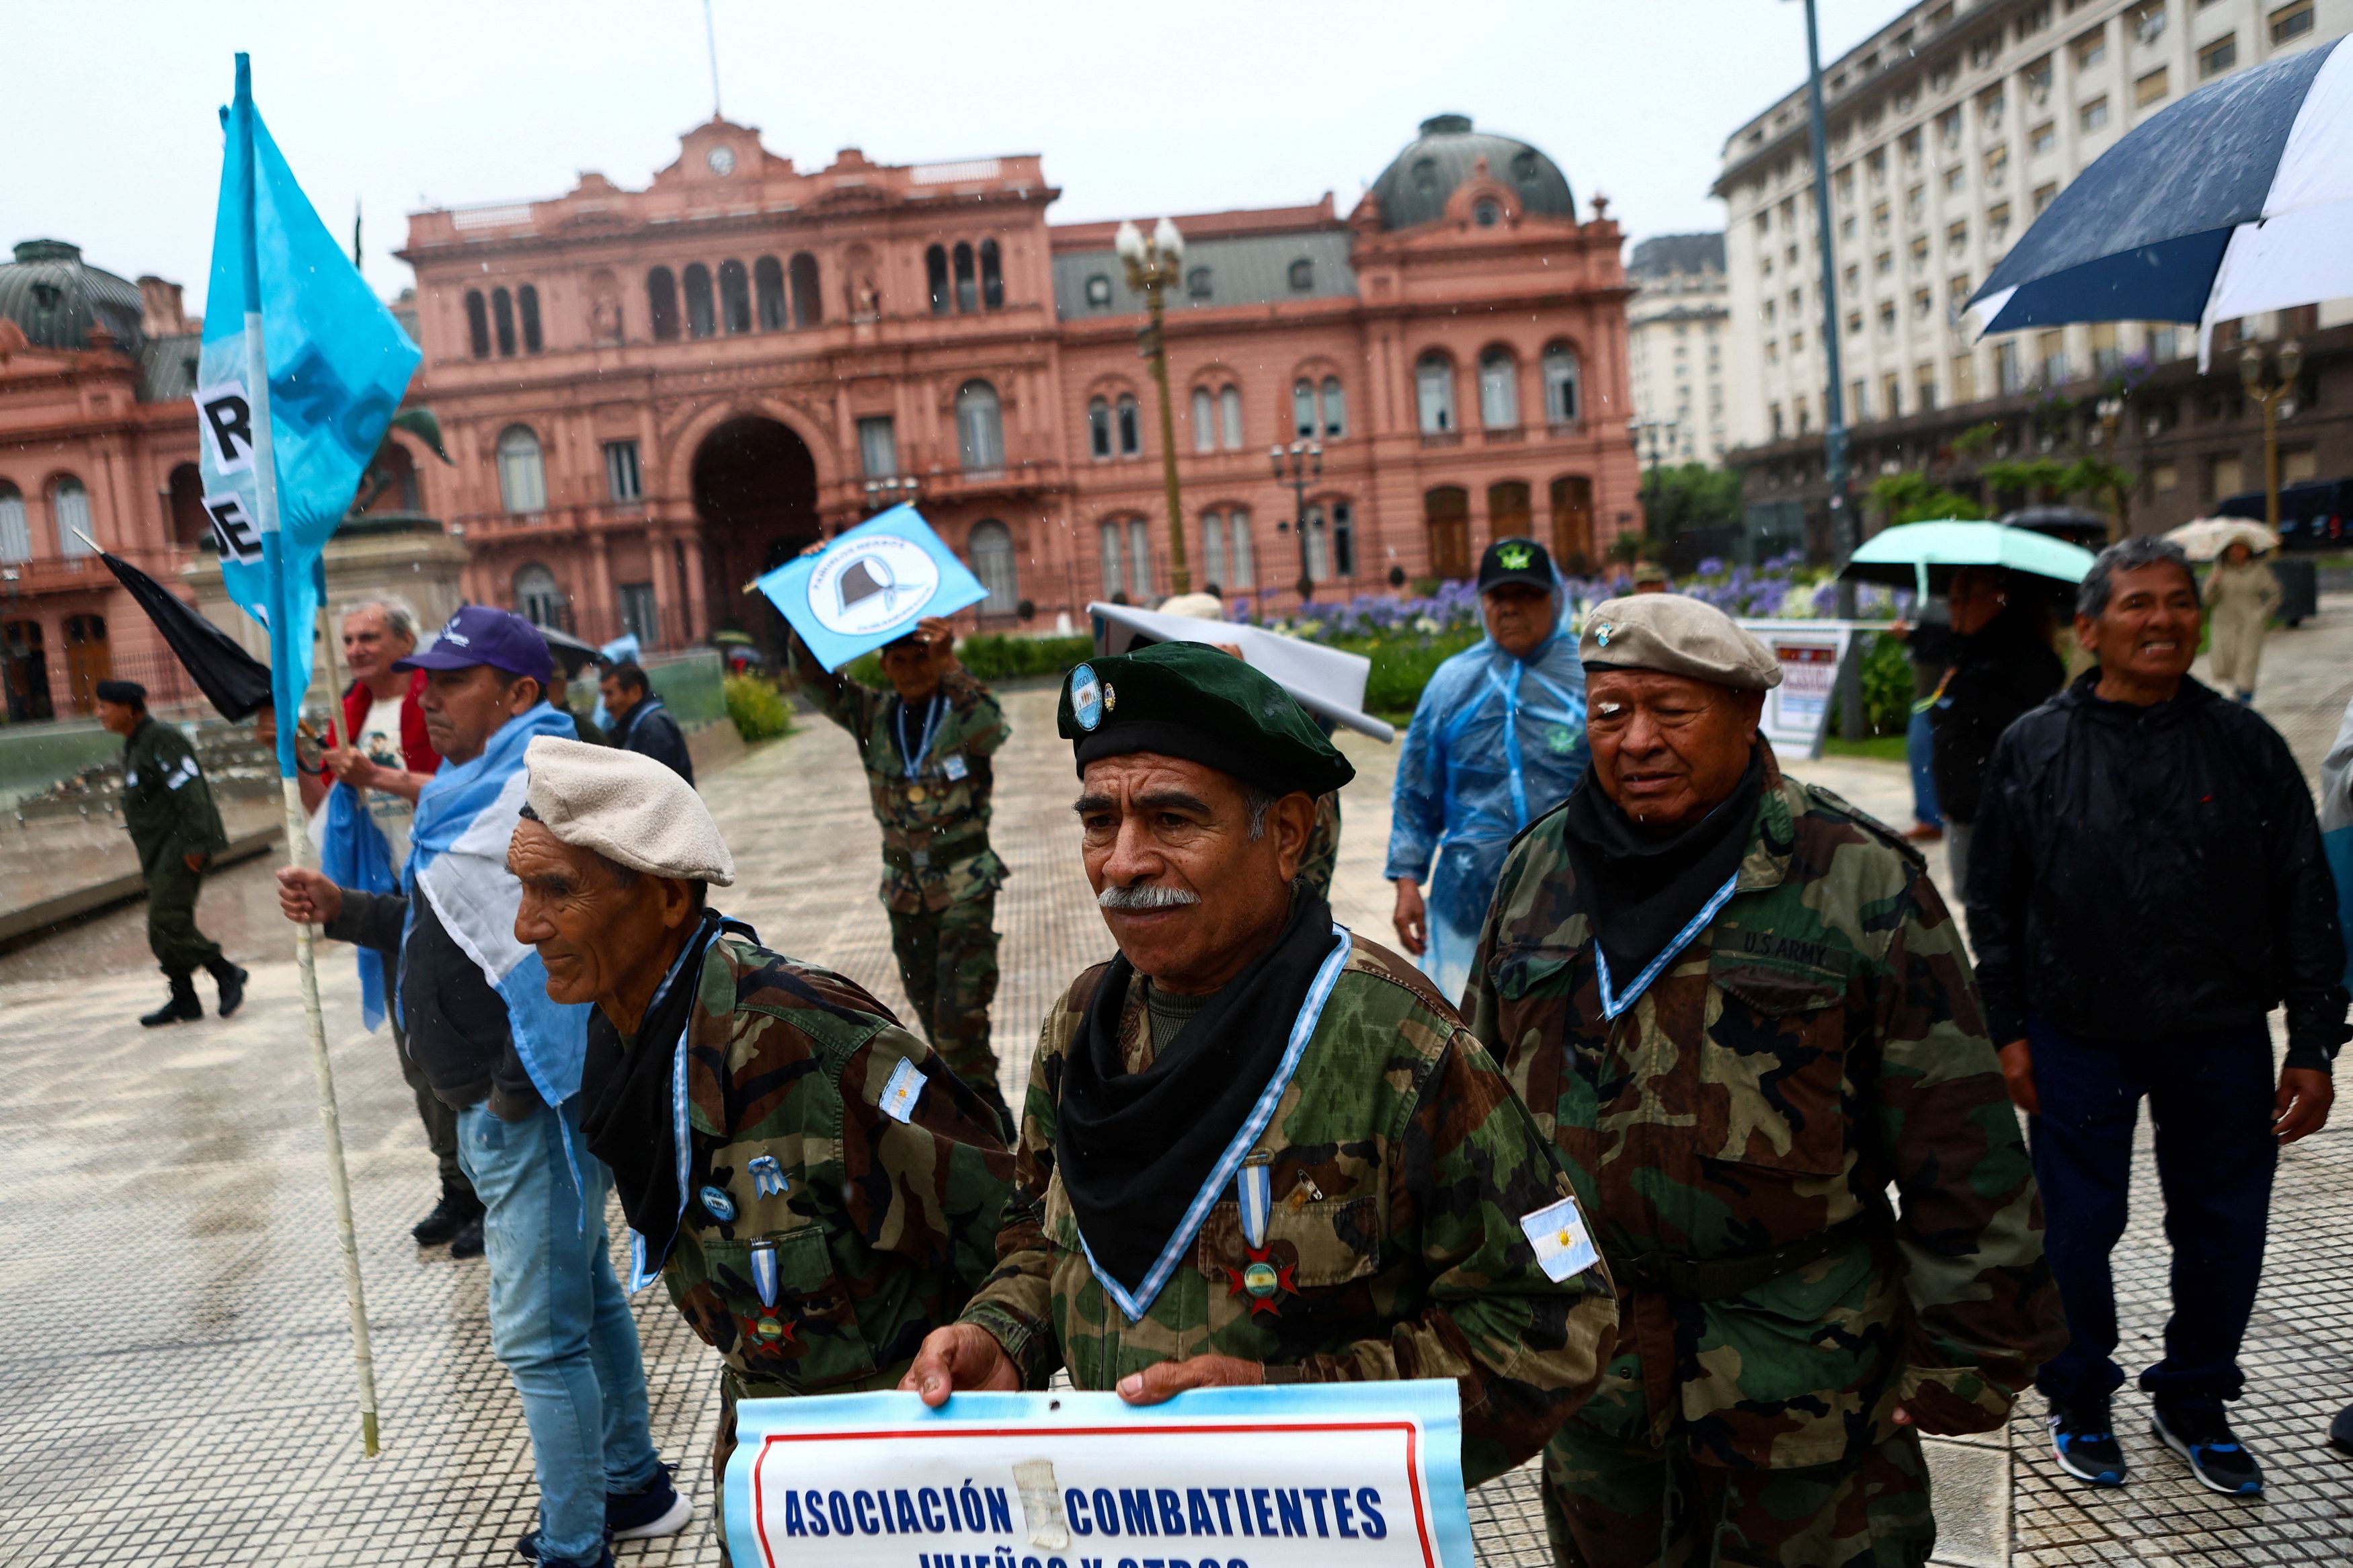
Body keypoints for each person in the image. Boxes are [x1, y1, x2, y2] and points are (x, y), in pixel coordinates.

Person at [901, 643, 1620, 1488]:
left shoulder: (1396, 1041)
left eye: (1172, 820)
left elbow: (1556, 1318)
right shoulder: (1079, 1025)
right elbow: (1036, 1235)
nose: (1122, 863)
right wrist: (1002, 1332)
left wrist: (1291, 1407)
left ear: (1283, 835)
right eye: (1100, 821)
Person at [1461, 593, 2063, 1566]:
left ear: (1747, 714)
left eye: (1673, 709)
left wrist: (1973, 1349)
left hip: (1803, 1377)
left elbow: (1959, 1135)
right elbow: (1477, 1123)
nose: (1638, 740)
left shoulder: (1856, 878)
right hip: (1597, 1379)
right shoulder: (1539, 870)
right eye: (1610, 712)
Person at [507, 737, 1014, 1551]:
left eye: (557, 890)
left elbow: (1018, 1229)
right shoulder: (623, 1038)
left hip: (914, 1472)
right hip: (773, 1459)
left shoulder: (815, 1042)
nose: (526, 924)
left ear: (670, 897)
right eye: (523, 887)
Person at [276, 607, 688, 1568]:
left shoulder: (535, 799)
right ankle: (635, 1488)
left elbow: (558, 968)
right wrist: (343, 911)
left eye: (453, 681)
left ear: (518, 695)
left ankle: (577, 1541)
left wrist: (508, 1093)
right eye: (426, 679)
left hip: (534, 1110)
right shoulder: (462, 793)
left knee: (537, 1340)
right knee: (584, 1301)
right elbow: (438, 937)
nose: (428, 696)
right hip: (503, 1110)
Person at [1970, 537, 2348, 1499]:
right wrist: (2005, 1028)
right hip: (2075, 1031)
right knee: (2075, 1227)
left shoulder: (2243, 742)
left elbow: (2305, 891)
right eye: (2138, 605)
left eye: (2180, 602)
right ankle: (2079, 1392)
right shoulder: (2035, 745)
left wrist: (2311, 1041)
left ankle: (2196, 1397)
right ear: (2089, 629)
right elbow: (1995, 904)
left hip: (2217, 1030)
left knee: (2225, 1224)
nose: (2165, 620)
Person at [789, 616, 1012, 1125]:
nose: (913, 669)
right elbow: (812, 679)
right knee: (936, 1025)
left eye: (922, 657)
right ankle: (983, 1133)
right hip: (905, 895)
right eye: (901, 660)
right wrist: (808, 611)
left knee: (960, 1026)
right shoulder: (872, 713)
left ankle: (996, 1145)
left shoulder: (962, 706)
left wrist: (952, 664)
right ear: (886, 666)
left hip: (964, 887)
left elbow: (992, 731)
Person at [313, 597, 481, 1254]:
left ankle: (490, 1193)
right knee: (416, 1055)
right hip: (385, 899)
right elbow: (331, 809)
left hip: (446, 889)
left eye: (369, 636)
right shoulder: (347, 710)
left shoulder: (432, 699)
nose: (355, 649)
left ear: (407, 642)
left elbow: (464, 788)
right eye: (348, 638)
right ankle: (456, 1186)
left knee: (459, 1046)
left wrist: (376, 773)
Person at [1388, 536, 1589, 1002]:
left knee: (1562, 1036)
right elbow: (1416, 788)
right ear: (1482, 604)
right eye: (1500, 597)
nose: (1511, 609)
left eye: (1527, 595)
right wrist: (1407, 882)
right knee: (1465, 1036)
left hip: (1574, 894)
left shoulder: (1589, 676)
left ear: (1556, 599)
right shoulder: (1452, 683)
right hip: (1469, 898)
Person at [98, 679, 244, 1026]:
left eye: (105, 706)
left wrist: (195, 843)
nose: (99, 714)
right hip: (159, 849)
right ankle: (185, 999)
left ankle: (225, 971)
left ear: (130, 708)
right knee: (167, 925)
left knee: (166, 923)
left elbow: (191, 790)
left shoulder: (161, 738)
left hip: (180, 845)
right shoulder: (136, 745)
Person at [1927, 565, 2063, 905]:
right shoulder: (1967, 651)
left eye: (1962, 600)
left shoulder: (2021, 659)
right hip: (1965, 805)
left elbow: (2002, 726)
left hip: (1997, 807)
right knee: (1972, 897)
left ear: (1997, 599)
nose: (1952, 608)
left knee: (1998, 904)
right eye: (1951, 600)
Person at [1886, 611, 1955, 843]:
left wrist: (1917, 636)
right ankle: (1931, 817)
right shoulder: (1925, 593)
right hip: (1928, 690)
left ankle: (1938, 816)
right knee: (1921, 749)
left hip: (1951, 684)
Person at [2203, 538, 2282, 704]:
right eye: (2233, 548)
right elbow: (2207, 600)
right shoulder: (2220, 571)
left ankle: (2244, 701)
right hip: (2224, 623)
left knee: (2246, 664)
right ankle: (2235, 694)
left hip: (2250, 624)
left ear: (2248, 551)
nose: (2236, 552)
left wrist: (2262, 614)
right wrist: (2214, 583)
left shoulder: (2258, 571)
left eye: (2241, 548)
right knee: (2224, 663)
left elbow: (2275, 594)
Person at [599, 661, 692, 783]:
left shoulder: (653, 726)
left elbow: (659, 784)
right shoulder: (638, 725)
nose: (606, 705)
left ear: (635, 691)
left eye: (610, 694)